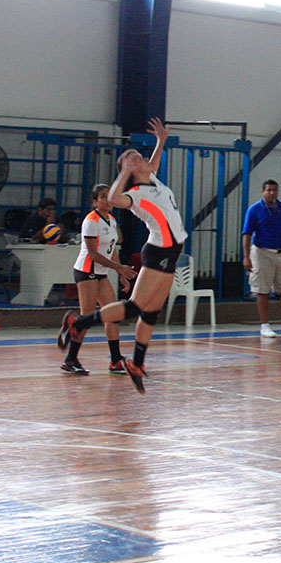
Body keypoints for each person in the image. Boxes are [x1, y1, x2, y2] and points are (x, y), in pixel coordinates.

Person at [57, 118, 187, 394]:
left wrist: (161, 140)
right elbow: (114, 199)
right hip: (159, 251)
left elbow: (152, 164)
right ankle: (79, 322)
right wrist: (124, 171)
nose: (136, 157)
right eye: (129, 158)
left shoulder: (151, 177)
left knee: (151, 313)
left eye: (136, 156)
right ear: (127, 171)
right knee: (134, 306)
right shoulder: (134, 194)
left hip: (172, 251)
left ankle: (136, 364)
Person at [59, 184, 138, 376]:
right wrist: (119, 268)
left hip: (101, 272)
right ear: (95, 201)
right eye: (103, 197)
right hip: (86, 272)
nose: (107, 200)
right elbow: (93, 254)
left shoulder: (111, 221)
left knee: (113, 314)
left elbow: (112, 250)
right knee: (87, 316)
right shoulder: (91, 221)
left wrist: (121, 275)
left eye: (109, 196)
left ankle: (115, 360)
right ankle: (70, 360)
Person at [242, 180, 281, 339]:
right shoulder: (254, 210)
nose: (272, 193)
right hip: (262, 252)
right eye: (269, 190)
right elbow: (246, 234)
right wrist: (246, 256)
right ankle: (265, 326)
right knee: (263, 290)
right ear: (263, 192)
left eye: (275, 190)